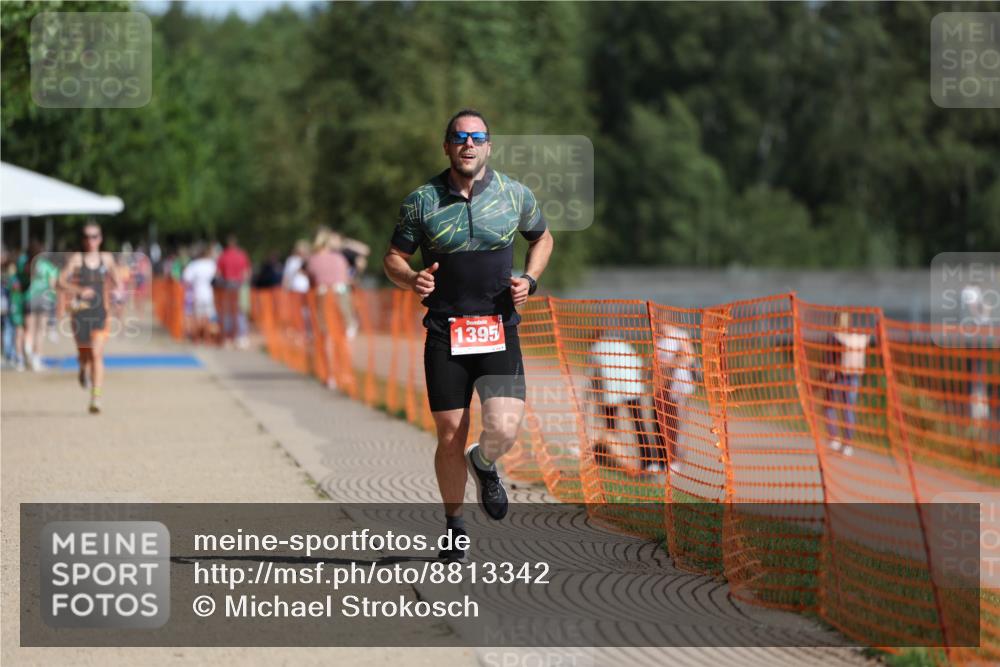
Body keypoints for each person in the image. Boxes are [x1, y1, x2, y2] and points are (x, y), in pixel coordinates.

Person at [384, 109, 554, 560]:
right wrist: (411, 278)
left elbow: (543, 238)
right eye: (460, 137)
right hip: (446, 332)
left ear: (488, 146)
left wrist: (530, 279)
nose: (469, 144)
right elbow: (393, 258)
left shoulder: (514, 194)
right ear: (447, 146)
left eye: (477, 137)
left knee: (504, 428)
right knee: (449, 435)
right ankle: (455, 526)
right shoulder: (422, 201)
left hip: (498, 328)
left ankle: (484, 462)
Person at [58, 222, 123, 414]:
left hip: (100, 313)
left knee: (96, 354)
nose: (90, 240)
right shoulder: (77, 259)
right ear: (82, 239)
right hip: (80, 314)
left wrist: (118, 294)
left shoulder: (107, 258)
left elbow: (119, 282)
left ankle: (96, 398)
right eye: (87, 236)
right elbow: (60, 281)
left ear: (100, 238)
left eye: (94, 236)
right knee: (85, 355)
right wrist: (79, 290)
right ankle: (82, 368)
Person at [589, 333, 656, 471]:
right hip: (631, 387)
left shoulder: (595, 348)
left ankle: (613, 459)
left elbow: (591, 375)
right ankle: (649, 462)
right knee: (639, 425)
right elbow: (638, 363)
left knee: (611, 428)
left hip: (610, 390)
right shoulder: (621, 343)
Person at [307, 228, 352, 388]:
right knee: (343, 336)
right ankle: (345, 373)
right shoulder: (340, 258)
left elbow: (311, 282)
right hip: (341, 296)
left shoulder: (313, 260)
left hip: (323, 297)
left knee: (326, 337)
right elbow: (346, 279)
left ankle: (330, 375)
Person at [652, 323, 697, 473]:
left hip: (679, 388)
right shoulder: (658, 339)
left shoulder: (680, 335)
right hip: (662, 387)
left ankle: (676, 461)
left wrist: (669, 363)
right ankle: (663, 460)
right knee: (661, 424)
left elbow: (689, 358)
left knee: (677, 426)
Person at [823, 312, 869, 457]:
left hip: (838, 374)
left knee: (829, 405)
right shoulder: (856, 337)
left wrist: (826, 373)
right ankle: (847, 444)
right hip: (853, 375)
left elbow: (829, 357)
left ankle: (835, 438)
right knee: (848, 409)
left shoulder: (834, 336)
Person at [24, 240, 60, 371]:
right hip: (44, 298)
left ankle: (27, 350)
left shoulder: (28, 264)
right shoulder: (48, 266)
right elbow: (52, 285)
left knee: (29, 328)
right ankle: (36, 359)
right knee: (40, 330)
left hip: (29, 297)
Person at [216, 234, 251, 348]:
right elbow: (246, 273)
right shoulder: (241, 255)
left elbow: (218, 274)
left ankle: (228, 337)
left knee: (227, 312)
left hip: (227, 286)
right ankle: (241, 337)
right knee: (240, 311)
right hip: (240, 286)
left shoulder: (223, 256)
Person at [182, 245, 217, 343]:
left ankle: (196, 338)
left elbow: (186, 279)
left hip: (197, 293)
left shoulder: (194, 265)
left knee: (197, 316)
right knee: (207, 317)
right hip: (209, 293)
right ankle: (207, 338)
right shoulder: (212, 264)